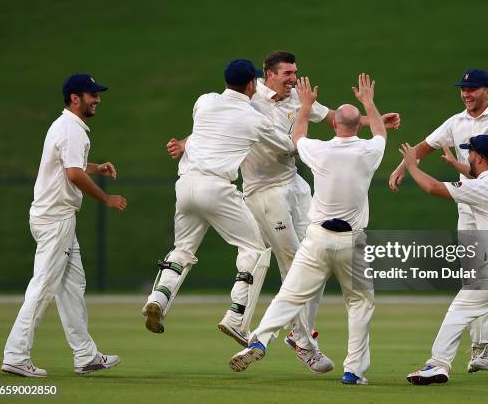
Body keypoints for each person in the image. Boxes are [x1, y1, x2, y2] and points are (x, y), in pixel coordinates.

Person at [167, 51, 399, 373]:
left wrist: (369, 120)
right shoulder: (248, 99)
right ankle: (303, 341)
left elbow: (334, 117)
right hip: (263, 191)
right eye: (287, 73)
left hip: (294, 183)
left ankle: (297, 336)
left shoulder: (296, 98)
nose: (293, 79)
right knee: (294, 263)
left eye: (295, 72)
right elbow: (217, 125)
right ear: (268, 75)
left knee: (314, 258)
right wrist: (185, 141)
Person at [229, 73, 387, 385]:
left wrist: (305, 106)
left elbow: (298, 136)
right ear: (358, 127)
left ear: (336, 126)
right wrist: (368, 102)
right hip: (351, 242)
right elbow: (381, 132)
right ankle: (353, 370)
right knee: (359, 304)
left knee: (289, 295)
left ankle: (259, 339)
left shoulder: (320, 150)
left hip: (317, 239)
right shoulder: (369, 152)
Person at [388, 69, 488, 372]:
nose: (466, 94)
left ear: (487, 91)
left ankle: (486, 346)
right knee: (477, 279)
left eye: (473, 89)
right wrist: (401, 167)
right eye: (463, 89)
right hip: (470, 205)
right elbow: (424, 147)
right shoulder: (456, 121)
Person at [142, 59, 295, 348]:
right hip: (217, 188)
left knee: (182, 249)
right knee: (255, 249)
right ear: (252, 84)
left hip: (186, 184)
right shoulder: (254, 118)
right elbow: (288, 148)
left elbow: (206, 132)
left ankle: (158, 299)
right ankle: (236, 318)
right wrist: (300, 120)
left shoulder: (205, 101)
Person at [1, 74, 127, 378]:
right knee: (43, 287)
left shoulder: (66, 126)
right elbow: (72, 174)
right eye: (92, 94)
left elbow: (71, 165)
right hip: (55, 219)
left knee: (72, 287)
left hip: (56, 218)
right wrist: (106, 198)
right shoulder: (72, 129)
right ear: (75, 98)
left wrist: (97, 168)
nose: (97, 99)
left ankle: (85, 355)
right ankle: (16, 355)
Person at [400, 135, 488, 386]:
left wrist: (412, 165)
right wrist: (457, 167)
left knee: (460, 309)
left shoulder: (482, 188)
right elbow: (479, 176)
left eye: (469, 153)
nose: (467, 156)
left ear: (478, 156)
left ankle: (438, 365)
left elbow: (434, 188)